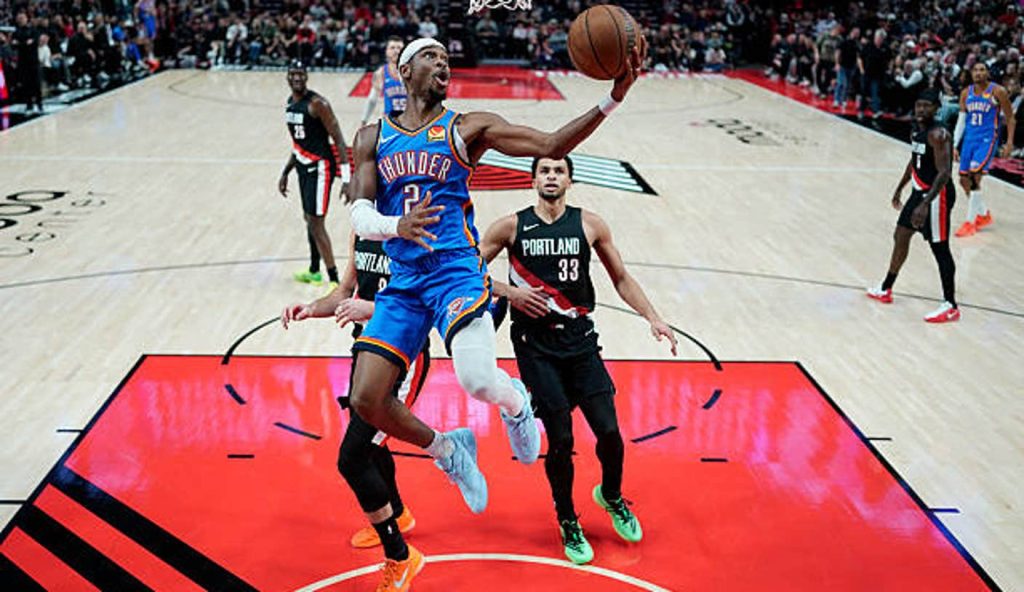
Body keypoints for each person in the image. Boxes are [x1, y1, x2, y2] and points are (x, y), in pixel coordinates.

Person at [343, 36, 646, 591]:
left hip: (457, 271)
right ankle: (448, 449)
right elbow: (360, 211)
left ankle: (516, 405)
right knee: (366, 399)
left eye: (446, 60)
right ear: (405, 70)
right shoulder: (372, 136)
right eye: (432, 58)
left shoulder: (468, 128)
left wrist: (612, 98)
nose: (444, 65)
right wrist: (394, 227)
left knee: (479, 379)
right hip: (405, 281)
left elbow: (550, 141)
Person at [479, 155, 677, 565]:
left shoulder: (590, 224)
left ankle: (611, 494)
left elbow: (621, 278)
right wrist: (510, 293)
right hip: (535, 346)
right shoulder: (510, 226)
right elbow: (463, 270)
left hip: (581, 342)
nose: (551, 177)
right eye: (544, 171)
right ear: (533, 179)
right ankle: (568, 519)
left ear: (570, 178)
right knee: (563, 439)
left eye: (559, 171)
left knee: (610, 434)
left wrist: (653, 317)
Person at [281, 231, 426, 551]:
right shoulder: (361, 229)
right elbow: (344, 292)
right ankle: (398, 514)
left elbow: (424, 303)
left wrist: (371, 309)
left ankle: (400, 556)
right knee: (371, 447)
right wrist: (312, 307)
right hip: (366, 353)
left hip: (402, 357)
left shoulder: (415, 230)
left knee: (353, 457)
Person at [867, 89, 959, 323]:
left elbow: (945, 172)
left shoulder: (939, 134)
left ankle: (950, 304)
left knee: (940, 249)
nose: (920, 110)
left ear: (936, 108)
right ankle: (886, 287)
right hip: (919, 192)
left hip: (938, 196)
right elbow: (914, 160)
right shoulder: (917, 128)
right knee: (901, 235)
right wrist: (900, 187)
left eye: (926, 106)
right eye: (918, 105)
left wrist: (926, 204)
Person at [279, 60, 350, 288]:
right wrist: (286, 171)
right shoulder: (290, 103)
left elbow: (338, 139)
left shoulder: (318, 104)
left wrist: (346, 178)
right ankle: (314, 271)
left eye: (301, 74)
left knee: (317, 223)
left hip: (320, 168)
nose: (297, 78)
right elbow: (299, 143)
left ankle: (334, 280)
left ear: (307, 76)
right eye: (293, 74)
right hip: (302, 166)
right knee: (308, 219)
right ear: (288, 77)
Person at [953, 62, 1016, 237]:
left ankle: (970, 222)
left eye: (982, 70)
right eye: (975, 70)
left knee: (975, 176)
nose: (978, 73)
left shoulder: (998, 91)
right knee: (963, 180)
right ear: (971, 73)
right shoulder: (966, 93)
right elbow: (961, 121)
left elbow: (1011, 119)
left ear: (988, 73)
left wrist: (1009, 143)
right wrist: (954, 145)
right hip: (969, 140)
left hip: (987, 139)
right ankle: (983, 214)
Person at [360, 36, 406, 128]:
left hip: (412, 123)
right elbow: (372, 100)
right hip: (390, 123)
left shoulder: (414, 72)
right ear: (386, 51)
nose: (396, 51)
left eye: (399, 48)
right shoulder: (380, 73)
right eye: (392, 48)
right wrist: (364, 121)